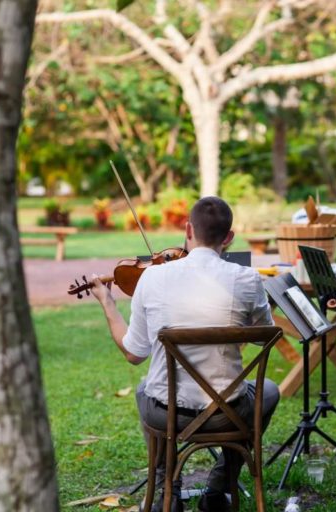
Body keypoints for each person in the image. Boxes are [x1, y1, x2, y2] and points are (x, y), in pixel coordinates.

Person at [90, 197, 278, 512]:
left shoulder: (151, 277)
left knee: (144, 387)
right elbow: (264, 337)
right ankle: (218, 489)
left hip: (167, 415)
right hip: (226, 415)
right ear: (229, 237)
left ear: (187, 229)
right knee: (268, 392)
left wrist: (108, 303)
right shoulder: (248, 279)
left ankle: (168, 490)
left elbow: (134, 354)